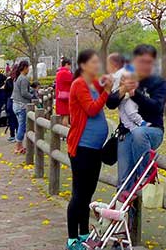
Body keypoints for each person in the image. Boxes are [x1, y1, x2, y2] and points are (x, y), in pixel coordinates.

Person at [106, 44, 166, 196]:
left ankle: (146, 174)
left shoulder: (159, 83)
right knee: (124, 183)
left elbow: (157, 108)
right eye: (141, 61)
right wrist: (122, 90)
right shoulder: (125, 78)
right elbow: (110, 103)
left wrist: (135, 94)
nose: (144, 66)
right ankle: (123, 217)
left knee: (139, 133)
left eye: (149, 62)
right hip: (126, 133)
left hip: (152, 130)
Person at [66, 49, 110, 250]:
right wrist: (107, 91)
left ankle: (84, 233)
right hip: (82, 146)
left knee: (88, 192)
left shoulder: (93, 83)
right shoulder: (79, 84)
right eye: (93, 62)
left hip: (95, 148)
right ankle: (72, 238)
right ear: (83, 65)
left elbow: (106, 102)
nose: (97, 66)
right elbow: (92, 109)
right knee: (79, 193)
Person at [11, 60, 34, 151]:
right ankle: (18, 146)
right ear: (25, 68)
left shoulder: (18, 77)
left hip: (16, 104)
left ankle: (19, 145)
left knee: (21, 125)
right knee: (22, 126)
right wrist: (32, 96)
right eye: (28, 67)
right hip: (22, 105)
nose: (28, 69)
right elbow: (24, 93)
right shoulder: (23, 78)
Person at [54, 57, 74, 122]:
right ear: (66, 64)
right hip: (65, 98)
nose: (70, 67)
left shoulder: (59, 72)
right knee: (66, 114)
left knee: (62, 115)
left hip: (60, 96)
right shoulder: (65, 73)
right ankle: (65, 130)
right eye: (70, 65)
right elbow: (73, 80)